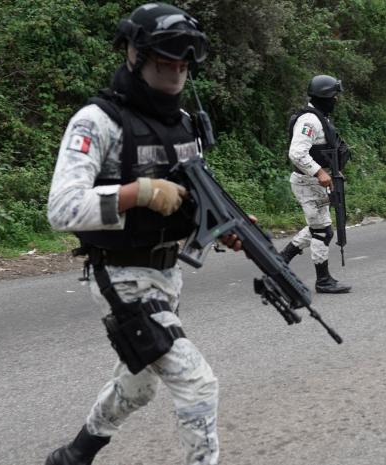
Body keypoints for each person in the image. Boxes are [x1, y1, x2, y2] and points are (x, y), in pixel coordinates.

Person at [44, 4, 241, 464]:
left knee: (140, 383)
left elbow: (194, 198)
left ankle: (76, 454)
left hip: (168, 273)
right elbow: (62, 209)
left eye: (182, 67)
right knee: (197, 384)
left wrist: (223, 228)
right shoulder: (97, 121)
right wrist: (140, 192)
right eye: (164, 63)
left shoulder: (184, 124)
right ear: (133, 55)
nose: (175, 74)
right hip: (120, 274)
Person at [277, 75, 352, 293]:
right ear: (325, 96)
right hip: (306, 182)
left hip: (315, 182)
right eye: (334, 96)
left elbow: (324, 151)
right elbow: (296, 152)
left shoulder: (321, 118)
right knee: (322, 231)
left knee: (320, 229)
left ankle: (279, 261)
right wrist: (319, 172)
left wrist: (333, 171)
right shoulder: (309, 121)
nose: (336, 100)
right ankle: (323, 280)